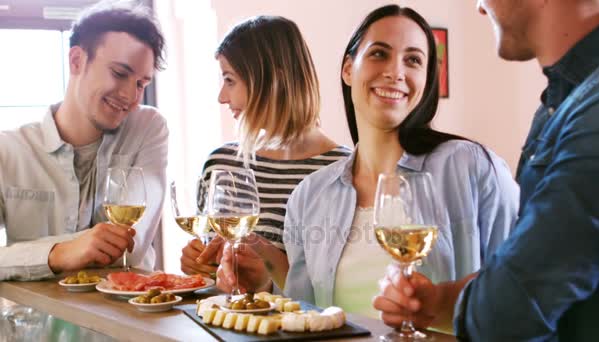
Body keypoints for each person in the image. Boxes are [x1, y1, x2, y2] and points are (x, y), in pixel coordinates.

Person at [216, 4, 519, 319]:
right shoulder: (309, 196)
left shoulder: (471, 167)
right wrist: (264, 284)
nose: (395, 72)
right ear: (348, 68)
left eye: (413, 60)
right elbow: (306, 316)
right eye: (379, 54)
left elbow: (521, 289)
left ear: (427, 78)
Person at [374, 0, 599, 340]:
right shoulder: (562, 103)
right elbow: (537, 270)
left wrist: (471, 305)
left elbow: (511, 307)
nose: (480, 8)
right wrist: (438, 301)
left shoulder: (598, 111)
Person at [0, 0, 168, 281]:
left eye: (141, 84)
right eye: (119, 73)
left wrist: (22, 255)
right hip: (34, 325)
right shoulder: (8, 150)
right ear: (77, 60)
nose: (130, 95)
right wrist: (58, 253)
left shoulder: (148, 127)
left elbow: (130, 245)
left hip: (122, 322)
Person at [179, 16, 350, 288]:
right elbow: (215, 273)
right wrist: (199, 265)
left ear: (275, 80)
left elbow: (338, 290)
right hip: (221, 327)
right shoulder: (221, 163)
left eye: (230, 80)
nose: (222, 97)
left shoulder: (343, 170)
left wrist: (270, 282)